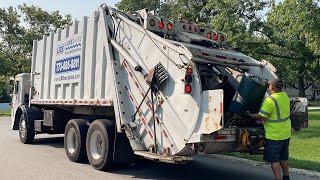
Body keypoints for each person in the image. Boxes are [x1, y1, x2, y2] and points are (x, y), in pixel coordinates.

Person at [249, 79, 291, 180]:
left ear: (272, 87)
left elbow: (261, 116)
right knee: (283, 157)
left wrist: (249, 115)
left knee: (274, 160)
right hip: (285, 133)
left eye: (269, 85)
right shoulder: (285, 96)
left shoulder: (270, 100)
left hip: (274, 135)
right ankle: (286, 177)